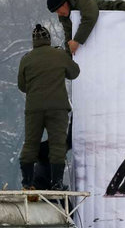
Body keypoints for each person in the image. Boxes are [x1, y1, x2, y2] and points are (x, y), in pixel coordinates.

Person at [18, 24, 80, 190]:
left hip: (33, 109)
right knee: (57, 145)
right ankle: (56, 183)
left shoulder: (26, 59)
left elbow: (22, 86)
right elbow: (74, 73)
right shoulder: (59, 55)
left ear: (34, 42)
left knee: (30, 144)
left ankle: (27, 183)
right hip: (57, 108)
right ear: (48, 39)